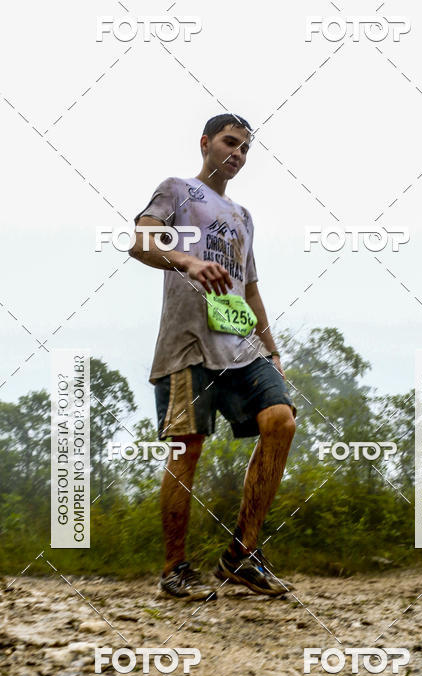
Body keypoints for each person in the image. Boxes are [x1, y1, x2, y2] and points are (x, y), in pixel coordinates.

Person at [129, 113, 297, 601]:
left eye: (245, 148)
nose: (237, 154)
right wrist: (186, 260)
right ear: (205, 143)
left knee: (281, 421)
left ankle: (241, 555)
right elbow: (140, 240)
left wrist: (272, 348)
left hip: (242, 347)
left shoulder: (243, 217)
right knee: (187, 449)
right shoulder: (177, 190)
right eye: (230, 142)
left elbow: (251, 289)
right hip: (188, 345)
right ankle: (175, 568)